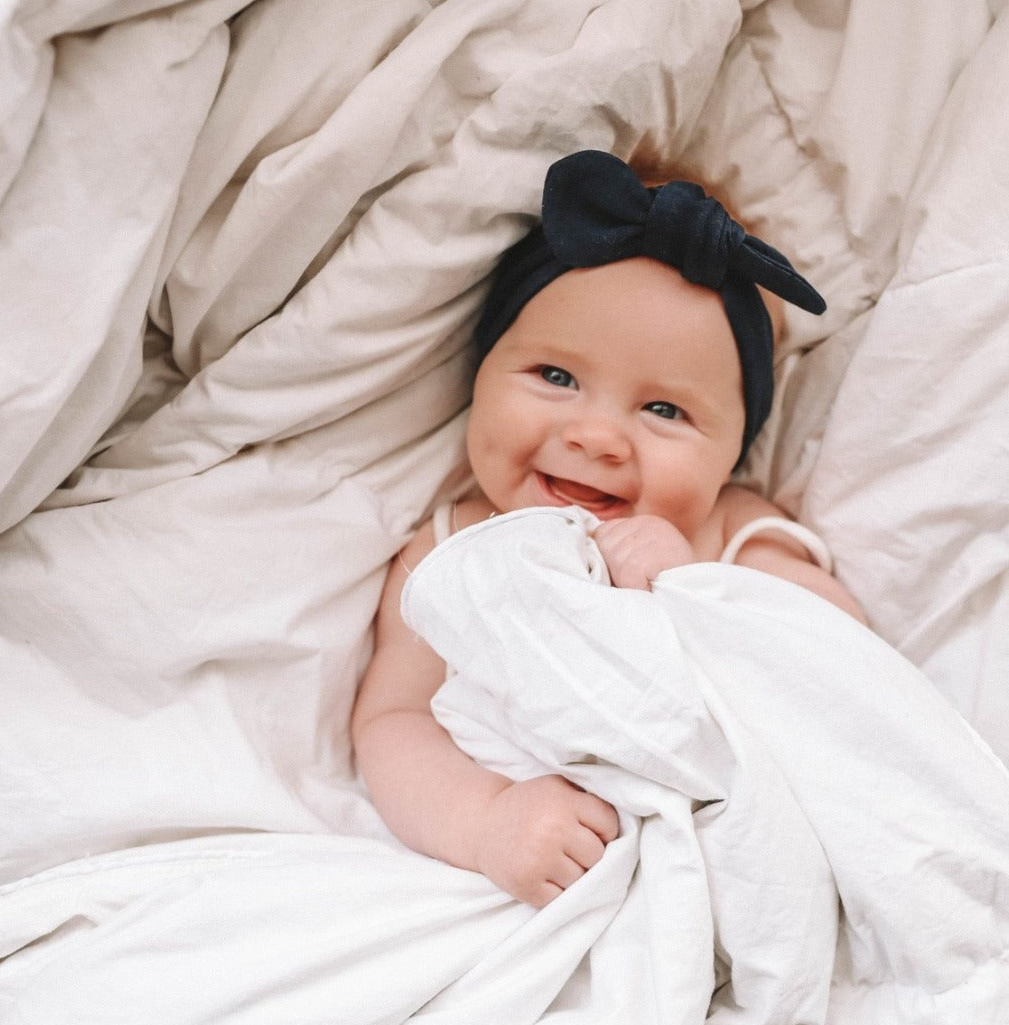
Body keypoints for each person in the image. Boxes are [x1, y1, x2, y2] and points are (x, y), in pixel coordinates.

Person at [352, 150, 866, 909]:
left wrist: (697, 587)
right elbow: (392, 724)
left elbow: (842, 663)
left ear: (734, 453)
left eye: (665, 410)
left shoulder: (732, 533)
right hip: (536, 875)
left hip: (727, 864)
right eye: (556, 377)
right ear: (481, 374)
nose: (597, 438)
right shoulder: (448, 550)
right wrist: (487, 820)